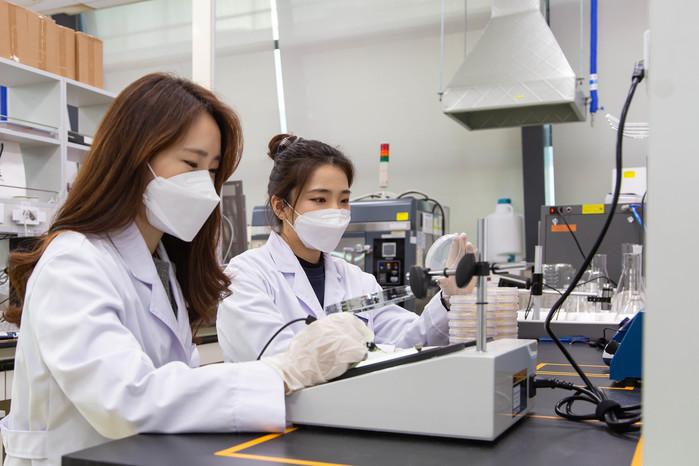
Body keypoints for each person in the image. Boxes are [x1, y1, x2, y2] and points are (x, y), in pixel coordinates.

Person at [0, 76, 372, 466]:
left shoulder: (161, 264)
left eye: (212, 170)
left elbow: (176, 386)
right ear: (133, 157)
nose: (205, 186)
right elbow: (125, 399)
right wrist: (283, 372)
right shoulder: (74, 261)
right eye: (191, 164)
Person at [217, 134, 473, 363]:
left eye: (343, 200)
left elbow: (410, 342)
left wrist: (448, 298)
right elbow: (276, 359)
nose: (335, 211)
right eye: (319, 199)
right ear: (281, 207)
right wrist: (358, 347)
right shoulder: (247, 275)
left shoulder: (357, 280)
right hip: (280, 403)